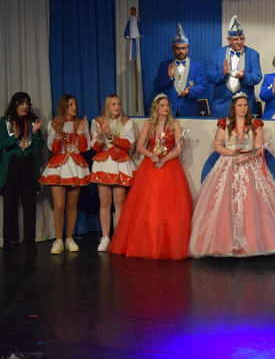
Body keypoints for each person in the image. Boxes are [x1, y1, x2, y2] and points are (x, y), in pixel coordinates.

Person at [189, 92, 275, 257]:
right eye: (240, 105)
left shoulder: (255, 124)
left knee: (250, 205)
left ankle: (253, 243)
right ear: (234, 107)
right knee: (224, 203)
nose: (243, 108)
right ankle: (225, 243)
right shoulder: (225, 124)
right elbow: (217, 145)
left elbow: (259, 148)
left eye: (245, 105)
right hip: (228, 164)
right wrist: (231, 153)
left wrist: (245, 158)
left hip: (249, 165)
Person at [109, 95, 193, 260]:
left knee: (170, 206)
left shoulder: (174, 124)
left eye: (167, 105)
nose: (166, 108)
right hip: (151, 166)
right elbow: (140, 146)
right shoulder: (149, 124)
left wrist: (164, 159)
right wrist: (151, 155)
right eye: (162, 105)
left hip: (170, 166)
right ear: (155, 108)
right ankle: (147, 243)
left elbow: (179, 148)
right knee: (150, 204)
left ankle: (169, 244)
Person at [39, 94, 90, 254]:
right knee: (59, 206)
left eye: (75, 104)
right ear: (63, 106)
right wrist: (58, 135)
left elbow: (84, 148)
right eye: (70, 104)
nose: (74, 107)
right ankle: (58, 240)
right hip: (59, 167)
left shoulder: (81, 123)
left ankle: (69, 238)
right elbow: (54, 149)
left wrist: (80, 133)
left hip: (75, 166)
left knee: (72, 205)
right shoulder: (54, 124)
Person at [90, 94, 135, 252]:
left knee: (120, 203)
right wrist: (100, 137)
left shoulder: (127, 122)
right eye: (114, 104)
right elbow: (95, 147)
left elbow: (128, 143)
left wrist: (110, 136)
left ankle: (119, 237)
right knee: (104, 202)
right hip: (104, 163)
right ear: (107, 106)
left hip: (120, 163)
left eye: (119, 104)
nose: (117, 107)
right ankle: (105, 237)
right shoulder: (97, 122)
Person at [0, 92, 43, 256]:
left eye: (27, 103)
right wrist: (14, 137)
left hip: (28, 164)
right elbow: (0, 143)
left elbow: (39, 145)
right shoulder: (5, 121)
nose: (25, 106)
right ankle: (8, 241)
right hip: (12, 164)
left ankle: (30, 241)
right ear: (15, 105)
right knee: (10, 203)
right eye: (21, 103)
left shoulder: (33, 121)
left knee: (30, 203)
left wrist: (36, 133)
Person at [206, 15, 262, 117]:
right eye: (236, 39)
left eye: (242, 39)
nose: (239, 42)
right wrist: (222, 73)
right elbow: (210, 76)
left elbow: (257, 77)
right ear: (228, 39)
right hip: (221, 105)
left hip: (245, 105)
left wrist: (244, 76)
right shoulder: (217, 54)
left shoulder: (253, 54)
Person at [153, 23, 206, 117]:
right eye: (177, 48)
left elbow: (201, 87)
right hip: (168, 111)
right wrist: (169, 77)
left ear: (187, 49)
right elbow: (157, 86)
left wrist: (189, 92)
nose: (180, 51)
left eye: (183, 48)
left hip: (189, 110)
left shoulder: (197, 66)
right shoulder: (164, 65)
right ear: (173, 49)